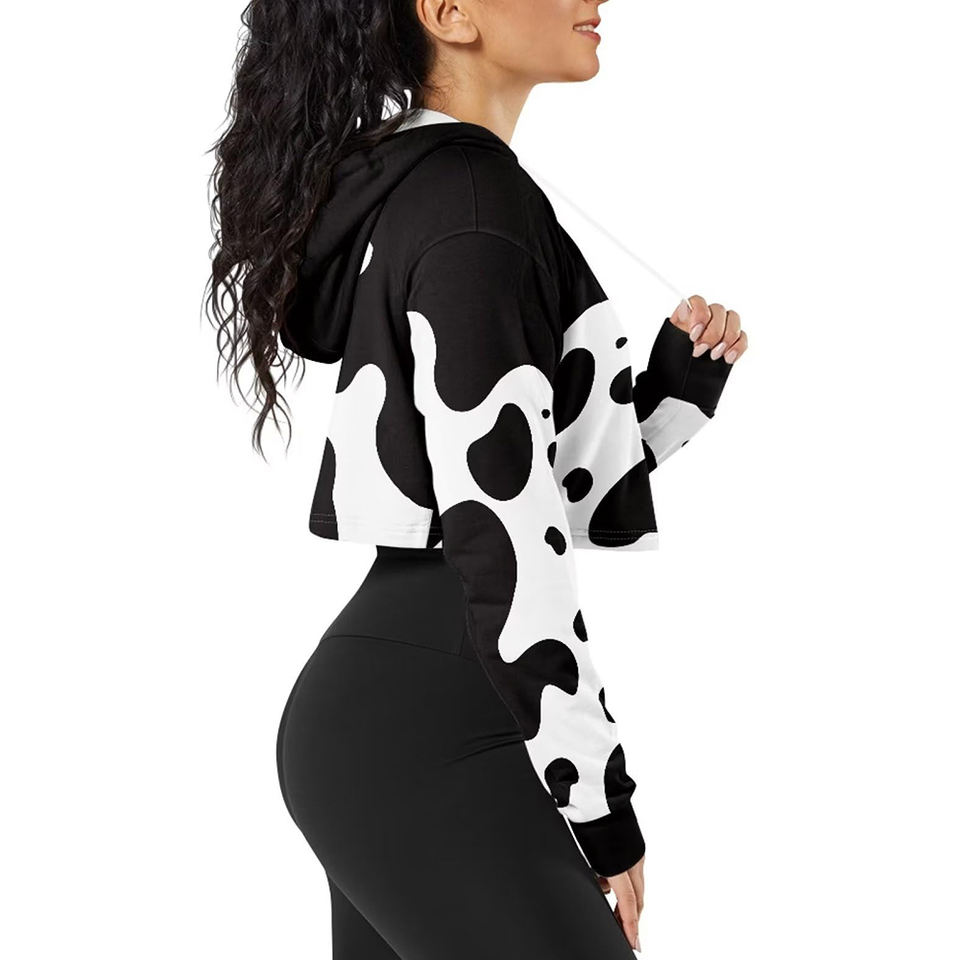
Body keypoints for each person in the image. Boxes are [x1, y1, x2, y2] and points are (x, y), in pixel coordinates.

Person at [205, 2, 748, 957]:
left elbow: (514, 484)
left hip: (393, 717)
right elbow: (504, 546)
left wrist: (674, 394)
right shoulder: (472, 203)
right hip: (434, 729)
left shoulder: (428, 190)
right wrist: (600, 804)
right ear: (448, 12)